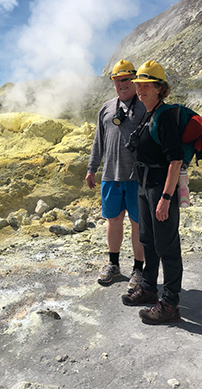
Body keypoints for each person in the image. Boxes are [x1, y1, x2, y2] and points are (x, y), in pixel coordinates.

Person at [121, 60, 184, 325]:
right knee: (148, 240)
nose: (141, 89)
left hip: (160, 189)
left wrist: (166, 198)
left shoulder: (165, 116)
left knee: (167, 245)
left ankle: (170, 303)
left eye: (147, 85)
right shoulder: (149, 113)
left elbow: (176, 160)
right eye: (139, 85)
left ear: (160, 88)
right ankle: (149, 288)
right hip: (144, 186)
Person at [86, 59, 145, 291]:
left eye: (126, 79)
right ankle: (113, 264)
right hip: (110, 176)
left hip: (138, 178)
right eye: (117, 80)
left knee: (138, 223)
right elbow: (98, 141)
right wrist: (92, 168)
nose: (121, 84)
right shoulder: (106, 107)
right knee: (113, 220)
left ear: (135, 80)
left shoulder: (144, 105)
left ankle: (139, 270)